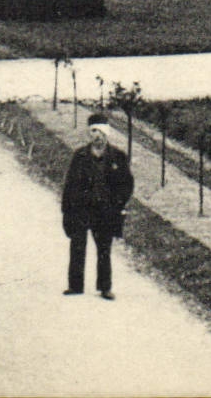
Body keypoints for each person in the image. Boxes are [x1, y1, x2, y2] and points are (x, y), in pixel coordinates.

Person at [62, 113, 134, 300]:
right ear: (89, 133)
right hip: (81, 209)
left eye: (101, 132)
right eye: (93, 131)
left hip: (105, 210)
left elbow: (126, 184)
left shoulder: (118, 157)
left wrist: (118, 204)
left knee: (104, 249)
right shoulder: (80, 156)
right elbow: (69, 185)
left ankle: (105, 287)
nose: (97, 136)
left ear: (107, 134)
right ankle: (75, 285)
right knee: (77, 246)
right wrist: (67, 211)